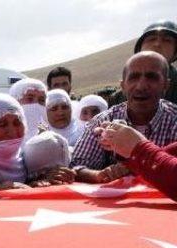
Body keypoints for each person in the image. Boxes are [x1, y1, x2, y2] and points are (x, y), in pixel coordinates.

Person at [70, 51, 177, 183]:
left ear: (166, 85)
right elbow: (76, 167)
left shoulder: (174, 120)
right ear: (123, 86)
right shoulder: (102, 121)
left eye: (151, 77)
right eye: (134, 77)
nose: (141, 86)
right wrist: (99, 175)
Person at [97, 121, 177, 201]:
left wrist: (138, 149)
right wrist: (129, 153)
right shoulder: (101, 118)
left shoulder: (173, 119)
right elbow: (167, 154)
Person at [110, 20, 177, 106]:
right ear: (140, 48)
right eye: (151, 39)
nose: (157, 44)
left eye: (167, 40)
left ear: (175, 52)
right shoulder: (118, 98)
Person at [9, 78, 47, 142]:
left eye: (41, 100)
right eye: (30, 99)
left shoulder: (48, 136)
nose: (36, 104)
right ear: (16, 101)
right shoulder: (5, 137)